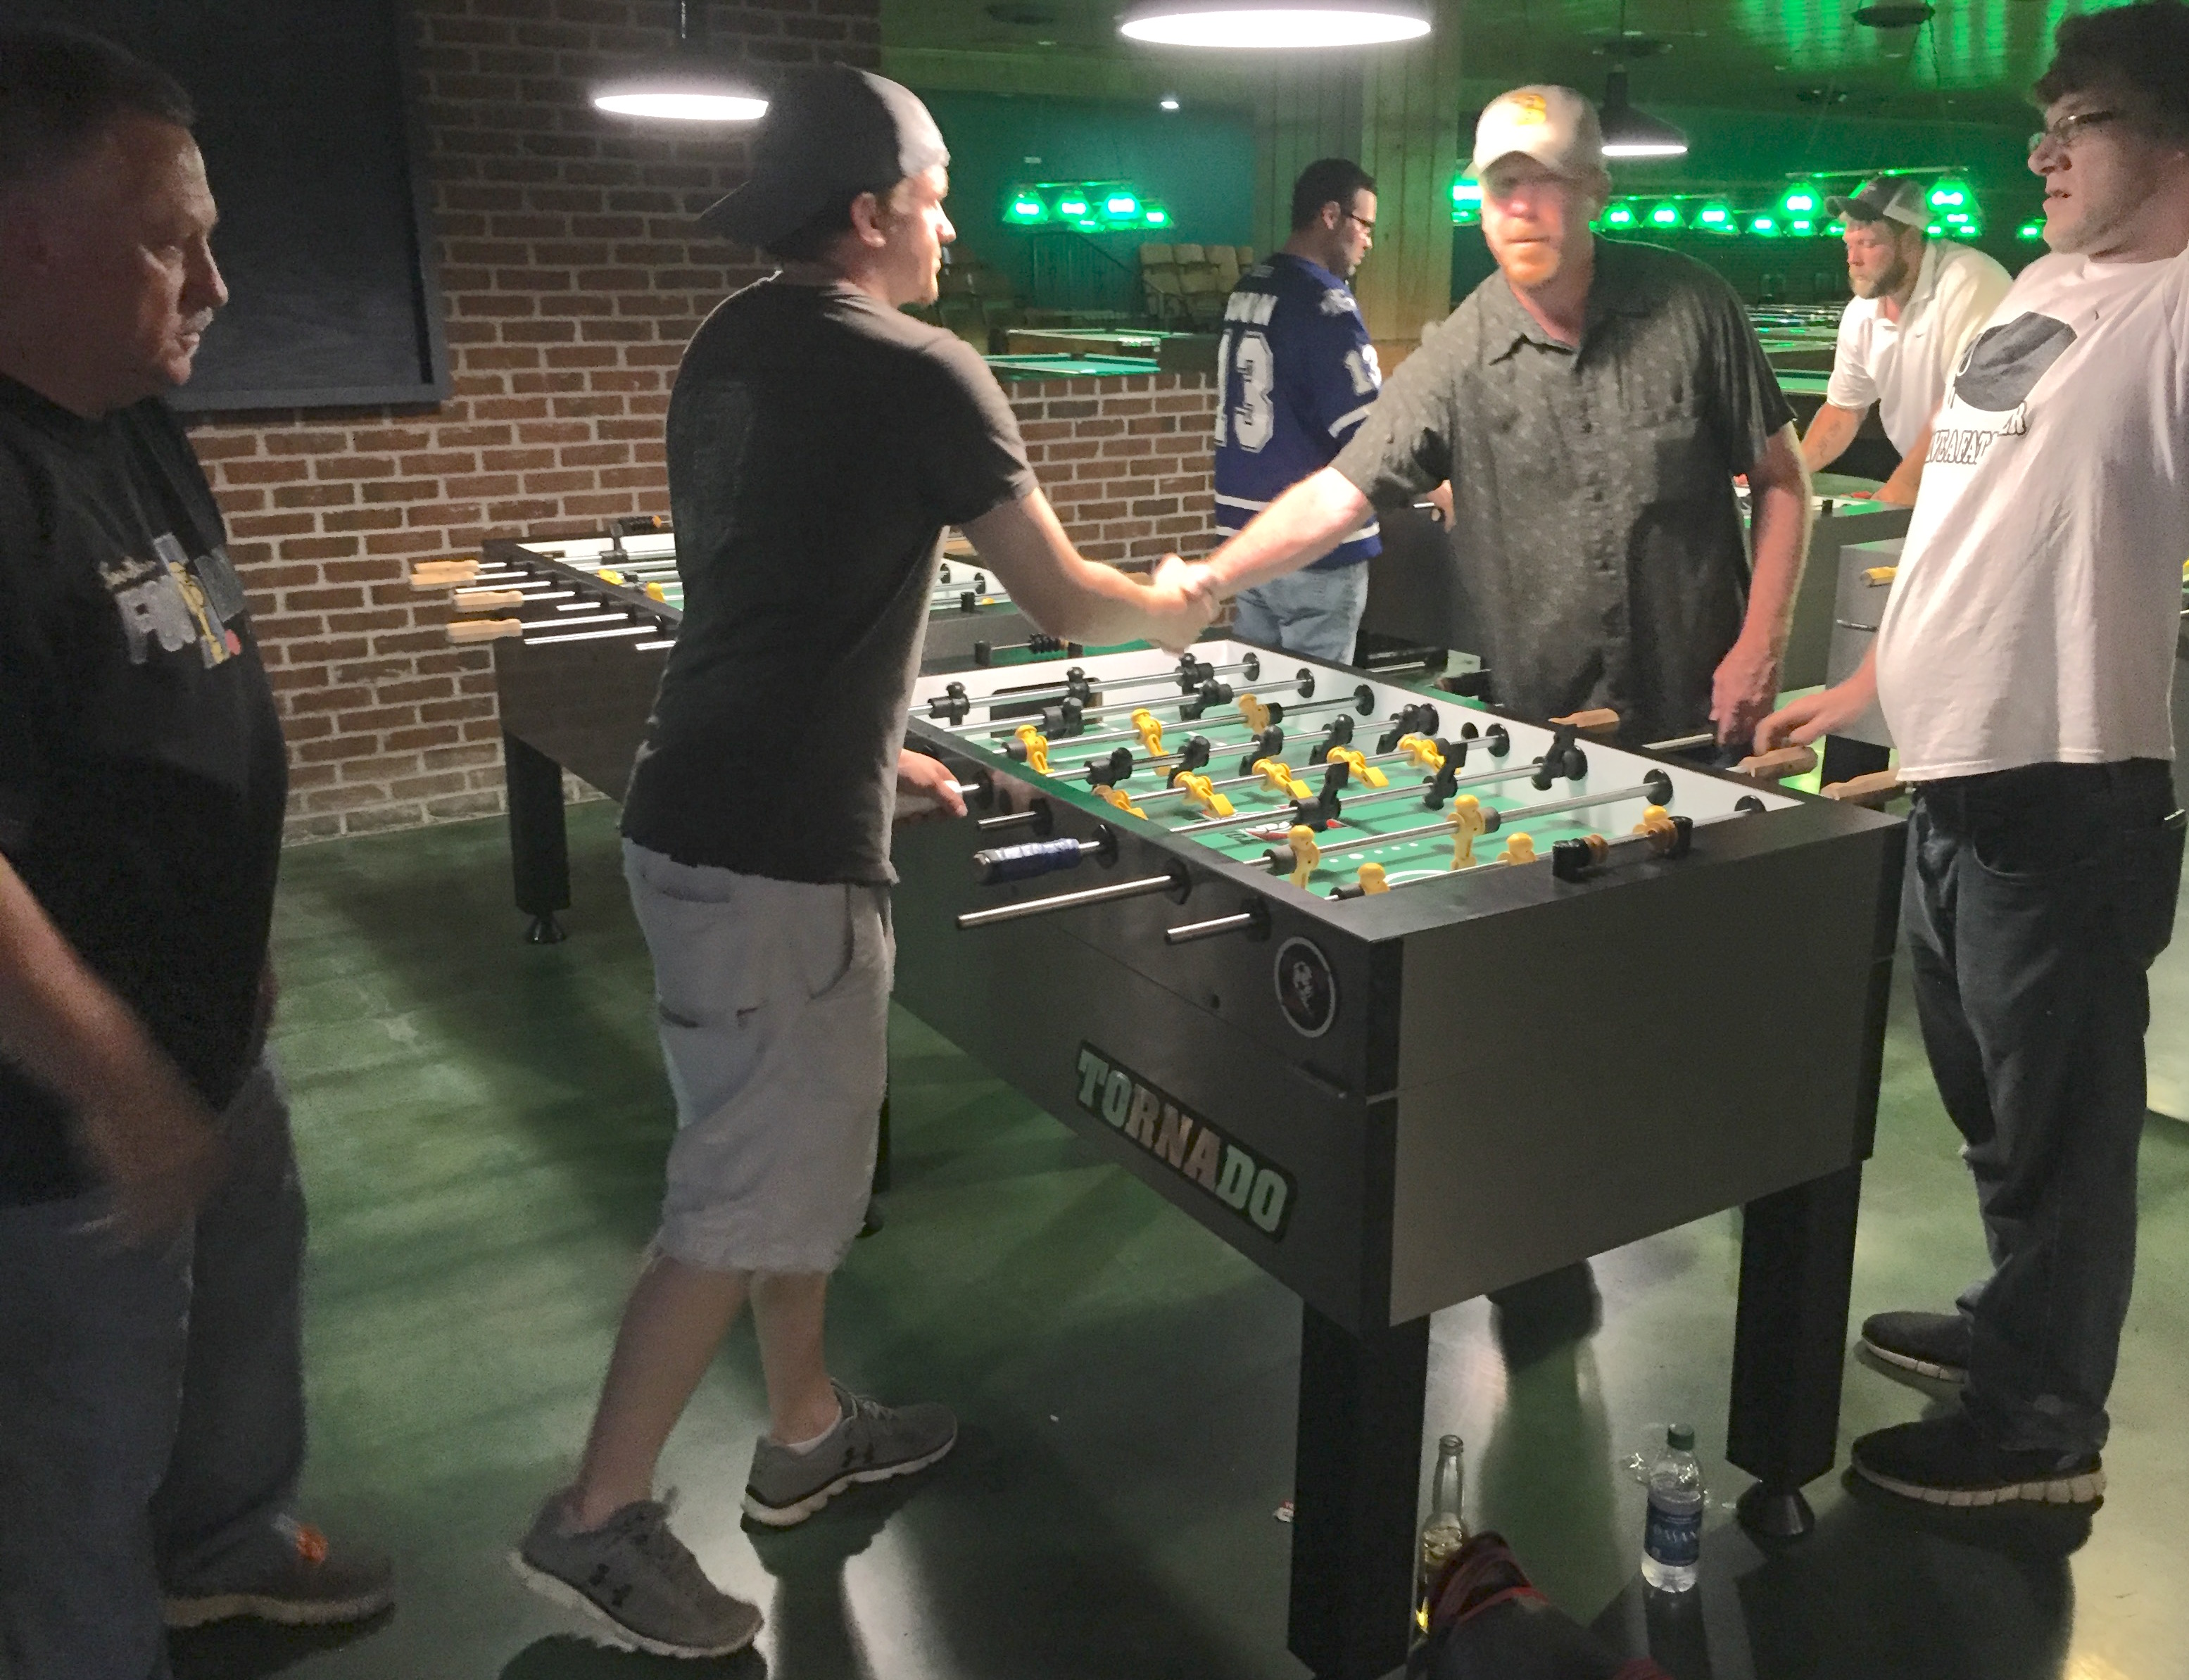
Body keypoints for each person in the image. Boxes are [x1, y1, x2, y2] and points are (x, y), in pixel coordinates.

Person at [512, 68, 1214, 1657]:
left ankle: (810, 1428)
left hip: (706, 801)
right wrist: (1173, 602)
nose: (955, 216)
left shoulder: (731, 344)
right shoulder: (922, 368)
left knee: (792, 1167)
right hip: (771, 854)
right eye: (940, 186)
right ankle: (597, 1517)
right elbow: (1063, 604)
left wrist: (861, 748)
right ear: (871, 209)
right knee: (740, 1193)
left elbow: (770, 585)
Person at [0, 27, 393, 1679]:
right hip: (60, 1122)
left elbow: (194, 677)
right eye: (173, 235)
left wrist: (236, 947)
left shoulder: (131, 418)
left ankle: (227, 1545)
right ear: (23, 236)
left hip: (204, 1035)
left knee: (238, 1333)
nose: (216, 280)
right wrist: (109, 1076)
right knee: (73, 1467)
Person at [1758, 0, 2189, 1506]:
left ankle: (2039, 1427)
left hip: (2069, 786)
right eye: (2046, 121)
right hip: (1944, 767)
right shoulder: (2047, 291)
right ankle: (2017, 1326)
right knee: (1993, 1101)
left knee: (2062, 1121)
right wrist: (1868, 682)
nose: (2042, 147)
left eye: (2080, 121)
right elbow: (1954, 522)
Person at [1182, 85, 1812, 750]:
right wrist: (1210, 578)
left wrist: (1762, 644)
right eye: (1503, 183)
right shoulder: (1460, 353)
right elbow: (1339, 493)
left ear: (1596, 191)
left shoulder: (1693, 306)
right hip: (1551, 725)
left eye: (1547, 182)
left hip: (1707, 706)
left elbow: (1781, 478)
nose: (1520, 206)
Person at [1216, 158, 1384, 662]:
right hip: (1317, 547)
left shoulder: (1249, 286)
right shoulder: (1326, 302)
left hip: (1248, 537)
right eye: (1365, 225)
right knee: (1316, 716)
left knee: (1256, 698)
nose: (1369, 241)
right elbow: (1373, 434)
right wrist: (1440, 488)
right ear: (1331, 216)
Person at [1799, 175, 2012, 505]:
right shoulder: (1862, 312)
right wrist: (1792, 474)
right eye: (1848, 244)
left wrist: (1903, 489)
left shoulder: (1969, 282)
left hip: (1997, 482)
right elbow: (1844, 410)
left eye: (1867, 244)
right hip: (1936, 479)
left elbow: (1966, 406)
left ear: (1910, 240)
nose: (1852, 259)